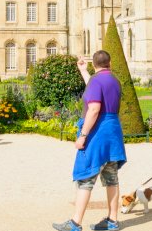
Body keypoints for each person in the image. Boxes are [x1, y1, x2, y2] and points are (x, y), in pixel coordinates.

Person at [52, 50, 126, 231]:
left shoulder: (96, 81)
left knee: (86, 177)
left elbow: (94, 108)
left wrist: (83, 135)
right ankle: (112, 221)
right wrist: (84, 72)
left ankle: (75, 223)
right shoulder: (114, 80)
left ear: (95, 64)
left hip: (98, 133)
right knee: (112, 178)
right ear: (110, 63)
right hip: (113, 132)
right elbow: (97, 89)